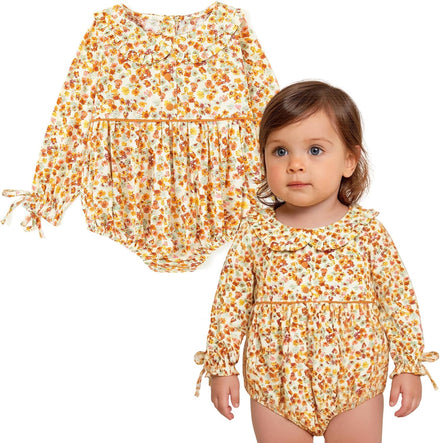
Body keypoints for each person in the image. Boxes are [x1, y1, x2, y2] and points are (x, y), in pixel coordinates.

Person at [194, 80, 438, 442]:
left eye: (315, 150)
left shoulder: (366, 231)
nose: (295, 165)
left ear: (349, 160)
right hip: (274, 382)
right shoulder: (255, 233)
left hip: (356, 378)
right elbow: (230, 304)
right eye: (280, 151)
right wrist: (222, 366)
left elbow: (397, 300)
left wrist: (408, 365)